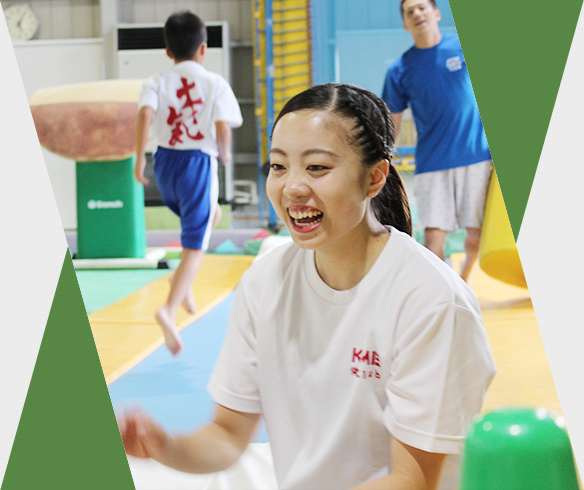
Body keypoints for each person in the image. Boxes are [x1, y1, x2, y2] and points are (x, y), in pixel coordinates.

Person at [119, 83, 496, 489]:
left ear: (374, 178)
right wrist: (164, 447)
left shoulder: (431, 300)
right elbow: (226, 436)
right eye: (279, 166)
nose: (293, 187)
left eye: (317, 167)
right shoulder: (265, 281)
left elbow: (412, 480)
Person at [134, 10, 243, 355]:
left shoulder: (156, 80)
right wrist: (224, 153)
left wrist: (139, 158)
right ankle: (168, 310)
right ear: (203, 49)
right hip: (197, 162)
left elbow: (145, 114)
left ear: (168, 51)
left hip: (165, 163)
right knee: (196, 244)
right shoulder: (215, 83)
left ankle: (181, 280)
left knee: (209, 217)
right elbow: (223, 126)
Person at [381, 0, 492, 282]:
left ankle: (464, 279)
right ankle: (446, 290)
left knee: (476, 236)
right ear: (405, 24)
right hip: (433, 163)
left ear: (437, 13)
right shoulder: (400, 69)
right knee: (433, 241)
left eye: (422, 7)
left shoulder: (462, 48)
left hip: (476, 156)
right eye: (410, 11)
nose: (417, 13)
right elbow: (392, 120)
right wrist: (384, 159)